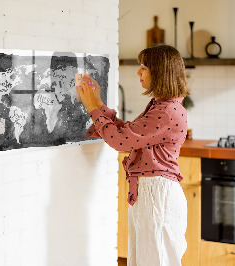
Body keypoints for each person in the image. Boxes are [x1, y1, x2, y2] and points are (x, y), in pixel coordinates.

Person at [77, 44, 189, 266]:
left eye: (144, 67)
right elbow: (128, 133)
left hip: (157, 195)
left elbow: (120, 141)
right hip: (152, 193)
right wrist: (98, 104)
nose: (138, 72)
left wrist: (92, 108)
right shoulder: (162, 106)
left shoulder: (166, 111)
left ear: (160, 72)